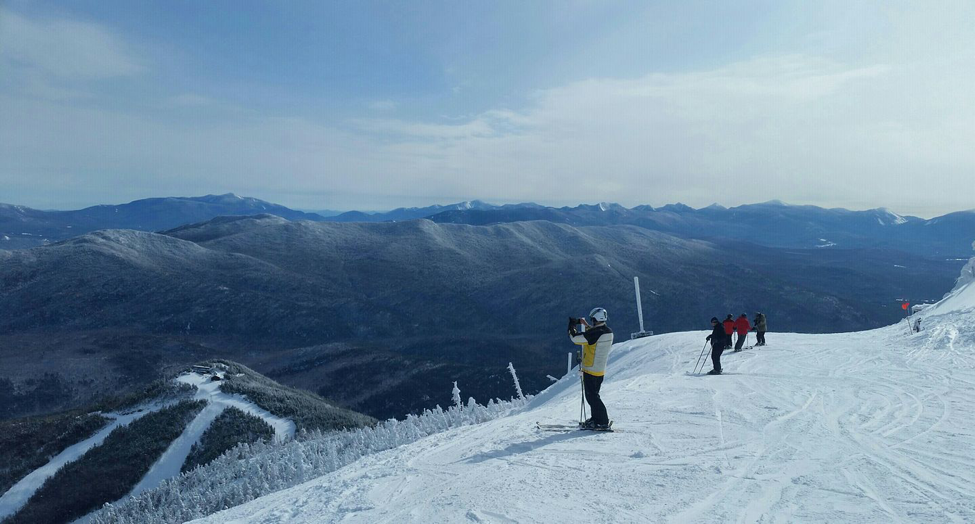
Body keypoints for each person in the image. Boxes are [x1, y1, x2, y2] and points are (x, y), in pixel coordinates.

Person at [568, 307, 614, 430]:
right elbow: (593, 335)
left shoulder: (596, 333)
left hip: (591, 369)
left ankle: (603, 421)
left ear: (596, 319)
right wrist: (586, 325)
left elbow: (575, 338)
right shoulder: (607, 331)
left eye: (592, 319)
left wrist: (572, 324)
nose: (591, 321)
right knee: (594, 395)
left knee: (592, 397)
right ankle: (596, 419)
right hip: (599, 370)